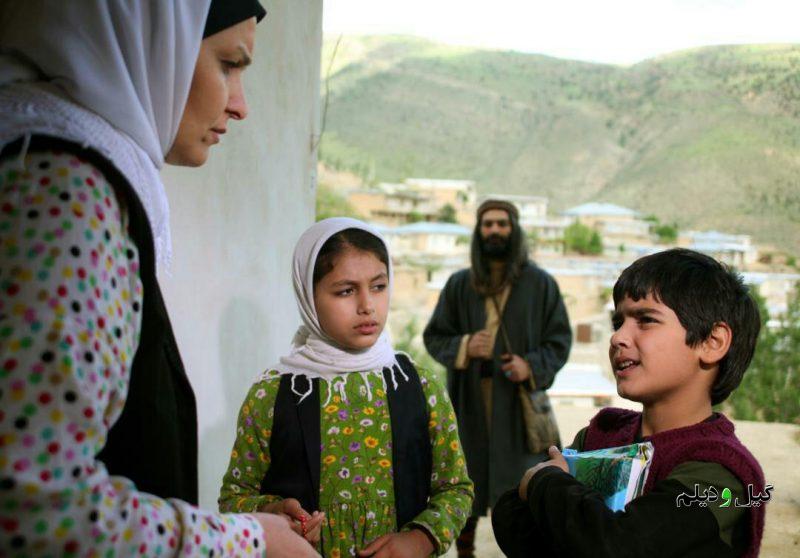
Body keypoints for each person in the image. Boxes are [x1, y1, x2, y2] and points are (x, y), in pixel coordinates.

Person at [0, 1, 318, 556]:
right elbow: (31, 509)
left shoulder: (45, 158)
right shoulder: (63, 191)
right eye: (227, 63)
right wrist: (247, 543)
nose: (240, 105)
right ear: (147, 36)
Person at [218, 217, 475, 557]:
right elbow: (234, 498)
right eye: (345, 291)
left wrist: (419, 540)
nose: (367, 305)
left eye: (379, 286)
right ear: (308, 296)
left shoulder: (420, 386)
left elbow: (456, 488)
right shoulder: (272, 396)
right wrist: (272, 513)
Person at [492, 248, 766, 558]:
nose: (618, 337)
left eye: (646, 320)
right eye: (618, 322)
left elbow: (619, 547)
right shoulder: (600, 437)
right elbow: (511, 519)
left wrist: (544, 480)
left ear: (711, 342)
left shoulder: (724, 477)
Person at [422, 199, 572, 556]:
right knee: (465, 483)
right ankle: (465, 553)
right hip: (470, 401)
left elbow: (560, 339)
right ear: (478, 231)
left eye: (502, 224)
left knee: (524, 489)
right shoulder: (460, 285)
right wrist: (464, 346)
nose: (494, 230)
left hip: (518, 405)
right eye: (487, 224)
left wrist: (531, 366)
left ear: (514, 229)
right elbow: (434, 336)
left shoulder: (540, 285)